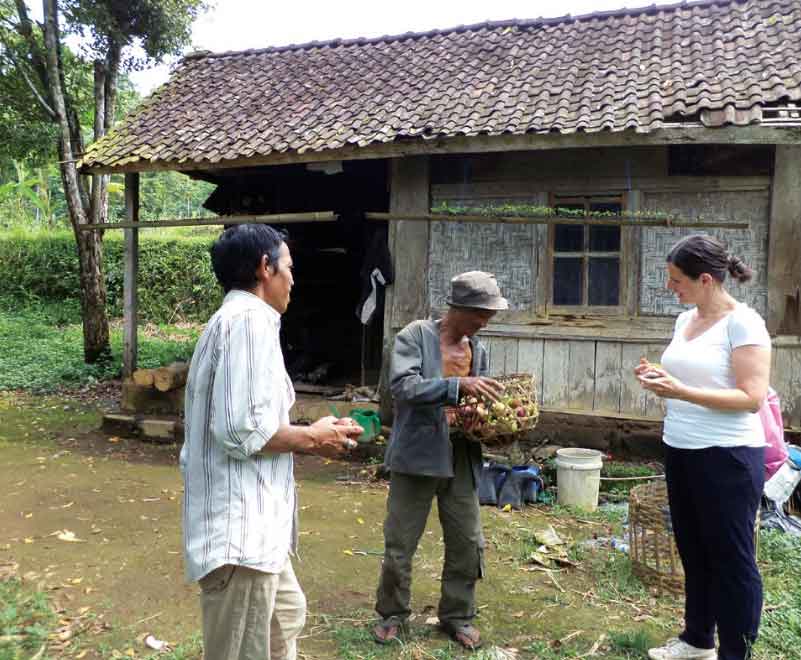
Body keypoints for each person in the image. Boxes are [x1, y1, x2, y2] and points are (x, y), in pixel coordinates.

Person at [180, 224, 363, 660]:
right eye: (289, 268)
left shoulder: (244, 322)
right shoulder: (247, 323)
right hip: (240, 536)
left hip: (261, 533)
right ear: (265, 268)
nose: (294, 279)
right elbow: (240, 429)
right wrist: (313, 438)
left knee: (285, 620)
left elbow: (251, 417)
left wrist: (313, 432)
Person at [635, 234, 771, 660]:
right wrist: (660, 378)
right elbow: (696, 377)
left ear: (707, 279)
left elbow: (751, 397)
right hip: (681, 446)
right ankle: (698, 640)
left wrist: (682, 390)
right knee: (693, 550)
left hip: (727, 456)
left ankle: (736, 652)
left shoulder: (743, 323)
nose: (671, 287)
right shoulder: (685, 320)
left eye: (678, 280)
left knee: (732, 560)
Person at [372, 271, 507, 651]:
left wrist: (489, 421)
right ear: (459, 308)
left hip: (460, 455)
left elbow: (475, 402)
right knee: (401, 542)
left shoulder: (476, 350)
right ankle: (392, 613)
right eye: (481, 314)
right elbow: (403, 386)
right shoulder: (415, 336)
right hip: (416, 455)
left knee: (468, 541)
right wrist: (456, 386)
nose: (485, 322)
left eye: (489, 315)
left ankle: (457, 616)